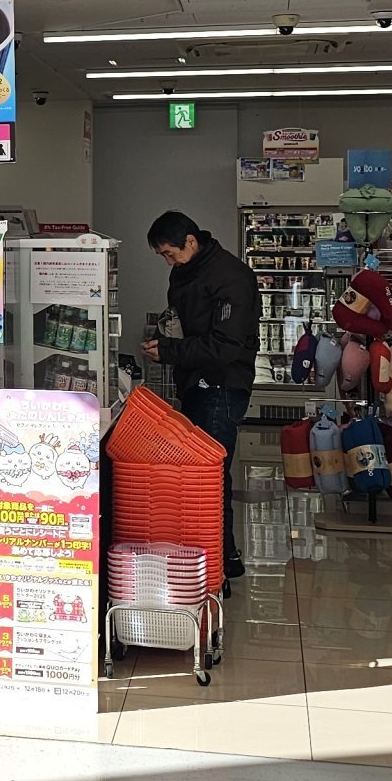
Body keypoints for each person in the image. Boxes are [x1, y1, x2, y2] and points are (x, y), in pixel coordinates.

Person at [142, 210, 261, 582]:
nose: (168, 261)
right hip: (196, 382)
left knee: (210, 477)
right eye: (163, 256)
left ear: (190, 241)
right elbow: (183, 319)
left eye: (170, 253)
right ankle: (218, 557)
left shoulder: (231, 277)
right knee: (200, 476)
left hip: (222, 386)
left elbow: (225, 345)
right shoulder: (186, 271)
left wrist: (170, 351)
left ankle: (220, 564)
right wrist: (164, 337)